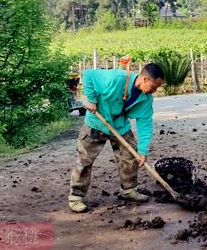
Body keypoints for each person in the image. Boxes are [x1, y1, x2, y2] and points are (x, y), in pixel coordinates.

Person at [68, 63, 165, 213]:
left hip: (119, 125)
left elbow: (145, 123)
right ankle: (76, 197)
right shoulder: (116, 78)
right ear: (145, 79)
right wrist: (92, 99)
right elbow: (88, 75)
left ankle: (128, 190)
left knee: (130, 156)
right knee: (85, 160)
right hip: (96, 122)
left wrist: (143, 150)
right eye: (154, 86)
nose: (155, 91)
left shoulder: (146, 99)